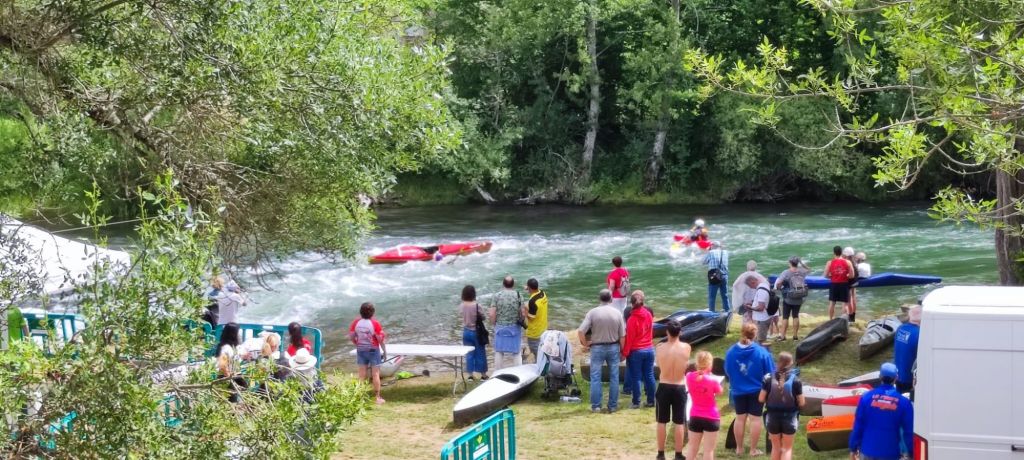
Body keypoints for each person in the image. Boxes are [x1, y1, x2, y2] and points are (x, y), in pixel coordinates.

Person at [725, 323, 775, 457]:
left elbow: (727, 371)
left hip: (738, 390)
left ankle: (739, 448)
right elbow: (770, 373)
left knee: (740, 418)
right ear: (755, 335)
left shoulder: (731, 352)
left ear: (741, 332)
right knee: (755, 419)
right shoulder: (762, 352)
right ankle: (753, 450)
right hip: (757, 391)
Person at [848, 363, 914, 460]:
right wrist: (911, 452)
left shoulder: (866, 398)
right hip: (890, 453)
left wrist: (853, 448)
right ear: (896, 378)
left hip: (867, 451)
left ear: (880, 377)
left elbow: (858, 425)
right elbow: (908, 432)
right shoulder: (904, 403)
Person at [578, 289, 626, 413]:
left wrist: (585, 344)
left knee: (595, 377)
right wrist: (623, 351)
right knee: (614, 377)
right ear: (611, 299)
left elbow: (581, 331)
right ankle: (612, 406)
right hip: (613, 347)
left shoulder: (592, 312)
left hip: (597, 347)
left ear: (599, 299)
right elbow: (622, 336)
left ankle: (596, 406)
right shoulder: (617, 313)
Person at [654, 319, 692, 460]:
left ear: (667, 332)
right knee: (679, 422)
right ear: (680, 332)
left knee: (661, 421)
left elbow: (659, 364)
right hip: (679, 386)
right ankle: (678, 453)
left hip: (664, 385)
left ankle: (661, 453)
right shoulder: (686, 347)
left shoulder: (659, 347)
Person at [759, 352, 804, 460]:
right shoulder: (796, 380)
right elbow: (802, 402)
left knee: (776, 448)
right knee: (787, 449)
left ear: (778, 362)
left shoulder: (768, 378)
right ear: (791, 363)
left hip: (772, 417)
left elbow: (761, 399)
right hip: (790, 417)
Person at [685, 350, 722, 460]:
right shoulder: (713, 380)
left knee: (692, 448)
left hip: (695, 415)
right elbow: (720, 392)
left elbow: (696, 378)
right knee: (708, 450)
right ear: (710, 364)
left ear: (696, 363)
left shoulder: (689, 376)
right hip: (711, 417)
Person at [622, 290, 655, 409]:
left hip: (636, 351)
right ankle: (651, 401)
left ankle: (636, 402)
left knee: (636, 377)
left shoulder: (631, 320)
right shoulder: (649, 315)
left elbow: (629, 339)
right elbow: (651, 331)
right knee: (649, 376)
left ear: (631, 304)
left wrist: (625, 353)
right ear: (643, 302)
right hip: (649, 349)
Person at [349, 302, 387, 404]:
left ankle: (359, 396)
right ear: (373, 313)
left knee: (362, 374)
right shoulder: (375, 323)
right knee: (375, 374)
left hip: (361, 350)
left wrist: (357, 344)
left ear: (360, 312)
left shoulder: (356, 322)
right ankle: (377, 398)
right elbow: (380, 339)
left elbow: (351, 336)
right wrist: (384, 351)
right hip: (373, 350)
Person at [489, 276, 524, 370]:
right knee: (516, 352)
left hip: (500, 326)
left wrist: (494, 324)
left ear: (503, 284)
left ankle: (498, 372)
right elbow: (523, 313)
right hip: (514, 327)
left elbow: (492, 313)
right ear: (513, 284)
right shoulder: (518, 295)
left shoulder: (497, 296)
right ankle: (518, 372)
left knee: (499, 351)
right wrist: (521, 321)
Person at [774, 256, 810, 341]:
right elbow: (809, 269)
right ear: (797, 263)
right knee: (795, 316)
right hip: (799, 297)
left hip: (788, 298)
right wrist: (801, 263)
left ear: (790, 263)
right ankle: (795, 336)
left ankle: (783, 336)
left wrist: (780, 288)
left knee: (785, 317)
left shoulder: (786, 272)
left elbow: (779, 283)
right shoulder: (801, 271)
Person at [459, 285, 488, 381]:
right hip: (476, 332)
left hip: (466, 332)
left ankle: (470, 375)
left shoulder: (462, 305)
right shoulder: (477, 306)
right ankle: (483, 375)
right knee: (480, 353)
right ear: (473, 294)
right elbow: (483, 317)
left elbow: (461, 315)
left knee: (469, 353)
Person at [893, 305, 921, 395]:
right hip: (910, 379)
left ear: (909, 315)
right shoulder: (920, 334)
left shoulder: (900, 328)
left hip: (897, 375)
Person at [825, 245, 854, 320]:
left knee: (832, 303)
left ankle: (830, 319)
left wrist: (832, 276)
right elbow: (852, 275)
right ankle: (844, 321)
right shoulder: (848, 262)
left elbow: (825, 275)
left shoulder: (829, 262)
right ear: (841, 253)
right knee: (844, 304)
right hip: (844, 284)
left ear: (834, 253)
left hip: (834, 284)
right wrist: (845, 276)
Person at [524, 278, 548, 362]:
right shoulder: (543, 294)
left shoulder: (532, 302)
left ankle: (540, 366)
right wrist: (528, 288)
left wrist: (525, 310)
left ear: (530, 288)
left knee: (537, 353)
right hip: (543, 329)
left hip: (534, 333)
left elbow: (531, 318)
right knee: (542, 351)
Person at [702, 241, 730, 312]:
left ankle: (712, 312)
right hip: (724, 275)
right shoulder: (725, 252)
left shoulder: (711, 252)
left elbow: (703, 262)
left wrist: (708, 251)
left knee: (712, 297)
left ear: (712, 246)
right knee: (725, 295)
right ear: (719, 246)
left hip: (714, 276)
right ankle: (727, 311)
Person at [745, 276, 772, 343]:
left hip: (761, 320)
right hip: (762, 318)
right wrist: (752, 303)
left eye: (750, 286)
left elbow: (761, 308)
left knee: (760, 341)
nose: (751, 288)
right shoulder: (764, 286)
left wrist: (750, 308)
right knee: (758, 340)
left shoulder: (761, 291)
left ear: (753, 282)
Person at [843, 246, 859, 321]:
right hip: (855, 281)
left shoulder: (847, 262)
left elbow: (847, 274)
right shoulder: (855, 262)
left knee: (849, 300)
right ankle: (853, 316)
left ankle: (850, 317)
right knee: (854, 298)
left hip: (849, 282)